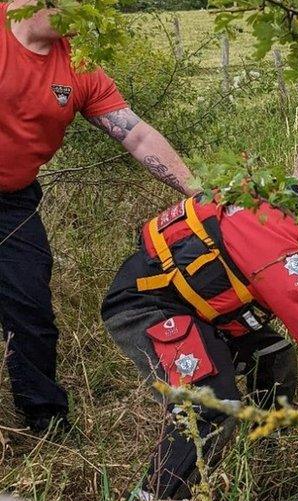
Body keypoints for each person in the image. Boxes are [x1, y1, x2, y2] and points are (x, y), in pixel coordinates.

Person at [101, 133, 298, 501]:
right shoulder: (272, 227)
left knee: (274, 356)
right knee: (209, 406)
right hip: (150, 307)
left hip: (205, 311)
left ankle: (266, 444)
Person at [1, 0, 194, 432]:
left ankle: (44, 418)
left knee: (29, 305)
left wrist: (198, 191)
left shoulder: (78, 65)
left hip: (11, 204)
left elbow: (137, 134)